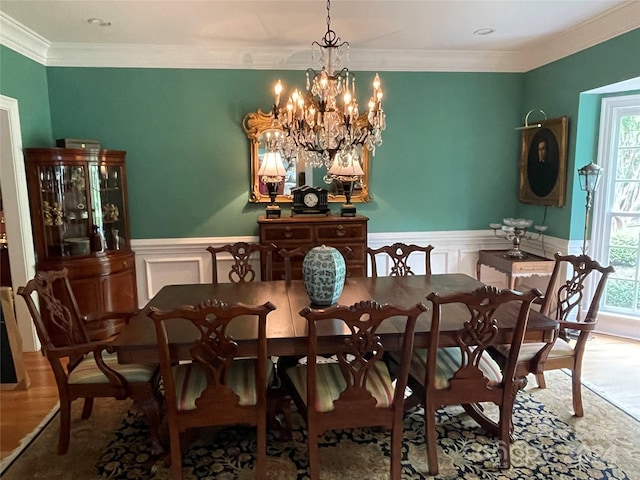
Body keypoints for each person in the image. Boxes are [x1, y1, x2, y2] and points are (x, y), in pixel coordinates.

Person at [526, 129, 559, 198]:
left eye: (543, 149)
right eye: (539, 149)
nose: (541, 152)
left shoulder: (551, 168)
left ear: (547, 150)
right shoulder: (533, 169)